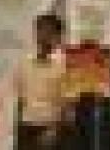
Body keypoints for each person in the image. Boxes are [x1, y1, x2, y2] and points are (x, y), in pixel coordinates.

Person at [14, 14, 67, 150]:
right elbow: (20, 99)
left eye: (49, 31)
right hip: (27, 127)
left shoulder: (66, 65)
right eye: (40, 30)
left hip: (53, 128)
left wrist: (55, 129)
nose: (43, 35)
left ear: (58, 36)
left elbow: (69, 104)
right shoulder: (24, 62)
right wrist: (17, 131)